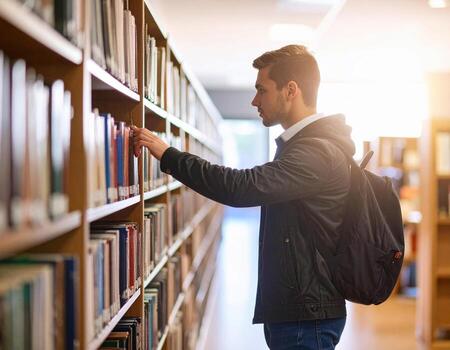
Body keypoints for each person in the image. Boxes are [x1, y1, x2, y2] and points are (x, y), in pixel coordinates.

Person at [131, 44, 355, 350]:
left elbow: (241, 187)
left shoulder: (315, 152)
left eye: (261, 90)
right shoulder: (304, 146)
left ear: (291, 90)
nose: (254, 100)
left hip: (305, 315)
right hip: (300, 309)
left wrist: (169, 155)